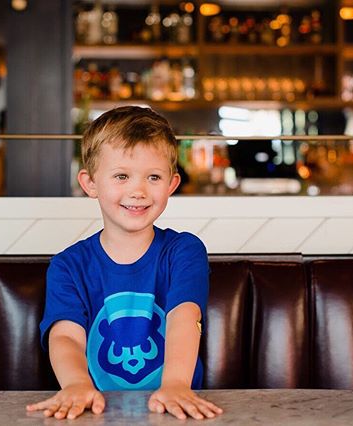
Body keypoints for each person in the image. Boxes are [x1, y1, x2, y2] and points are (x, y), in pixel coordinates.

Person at [26, 106, 223, 420]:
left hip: (176, 410)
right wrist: (76, 384)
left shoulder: (184, 251)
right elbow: (65, 335)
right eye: (121, 176)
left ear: (172, 185)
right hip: (92, 412)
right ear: (90, 183)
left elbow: (185, 318)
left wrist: (175, 384)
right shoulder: (68, 266)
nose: (138, 190)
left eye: (153, 177)